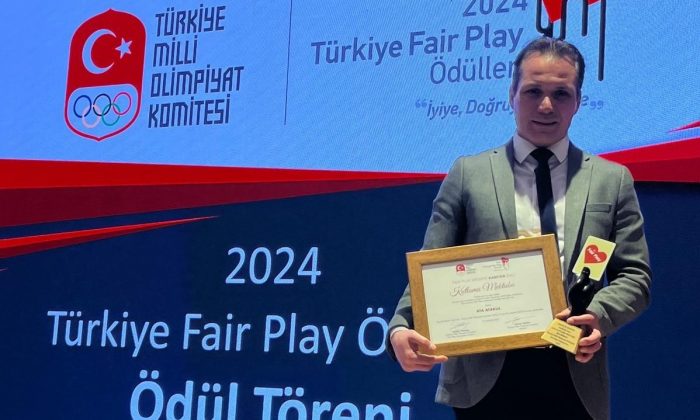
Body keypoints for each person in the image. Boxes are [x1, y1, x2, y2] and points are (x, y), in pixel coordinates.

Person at [387, 37, 651, 420]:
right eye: (533, 91)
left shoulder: (612, 180)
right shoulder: (468, 174)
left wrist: (599, 314)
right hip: (485, 379)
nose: (546, 105)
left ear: (578, 101)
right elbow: (431, 267)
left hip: (574, 372)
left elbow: (635, 276)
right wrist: (400, 326)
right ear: (511, 94)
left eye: (561, 94)